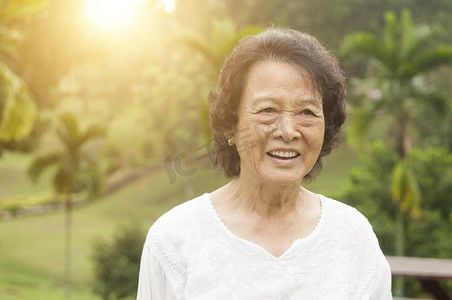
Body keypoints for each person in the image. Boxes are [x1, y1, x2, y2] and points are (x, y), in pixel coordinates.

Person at [137, 27, 392, 299]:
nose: (288, 131)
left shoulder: (353, 236)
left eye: (306, 112)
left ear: (326, 127)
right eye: (268, 110)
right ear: (230, 125)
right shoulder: (175, 240)